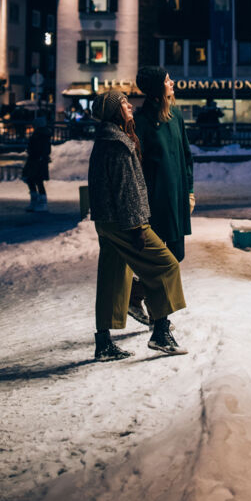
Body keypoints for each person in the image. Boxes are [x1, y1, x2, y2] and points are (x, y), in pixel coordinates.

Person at [88, 89, 188, 360]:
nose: (129, 105)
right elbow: (125, 190)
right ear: (112, 110)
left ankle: (104, 343)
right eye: (123, 102)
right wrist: (136, 227)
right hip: (124, 221)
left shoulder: (107, 139)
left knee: (113, 276)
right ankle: (161, 332)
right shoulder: (118, 142)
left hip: (108, 220)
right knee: (165, 265)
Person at [130, 66, 194, 324]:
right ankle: (160, 321)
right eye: (168, 80)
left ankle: (135, 295)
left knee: (176, 254)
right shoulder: (141, 120)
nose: (172, 82)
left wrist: (189, 190)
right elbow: (137, 164)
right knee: (161, 260)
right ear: (158, 87)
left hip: (177, 197)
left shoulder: (176, 115)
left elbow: (186, 156)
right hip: (155, 200)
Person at [22, 115, 51, 211]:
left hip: (37, 160)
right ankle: (37, 202)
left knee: (36, 180)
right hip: (36, 160)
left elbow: (43, 149)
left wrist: (39, 156)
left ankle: (40, 203)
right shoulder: (39, 135)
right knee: (33, 179)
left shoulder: (41, 135)